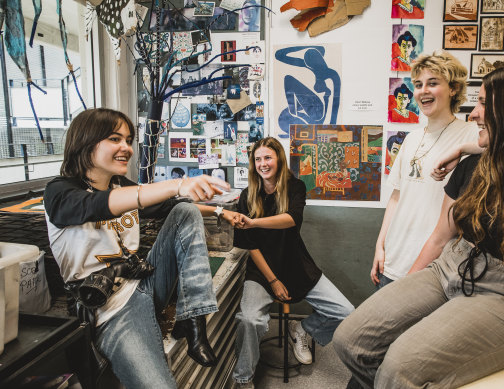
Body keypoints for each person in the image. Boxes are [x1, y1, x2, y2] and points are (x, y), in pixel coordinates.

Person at [334, 66, 504, 388]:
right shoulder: (473, 166)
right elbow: (440, 238)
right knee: (348, 338)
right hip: (449, 267)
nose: (475, 113)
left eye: (483, 104)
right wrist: (402, 296)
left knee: (399, 369)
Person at [44, 108, 241, 389]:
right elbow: (96, 205)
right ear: (85, 142)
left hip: (143, 281)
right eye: (115, 139)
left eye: (128, 139)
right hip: (111, 309)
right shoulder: (60, 192)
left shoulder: (119, 184)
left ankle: (194, 320)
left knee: (185, 211)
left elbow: (169, 205)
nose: (126, 147)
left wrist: (220, 212)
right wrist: (179, 184)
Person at [232, 137, 354, 389]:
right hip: (262, 271)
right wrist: (273, 280)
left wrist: (254, 222)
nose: (263, 164)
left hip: (296, 263)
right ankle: (244, 379)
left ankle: (302, 329)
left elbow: (291, 219)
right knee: (250, 320)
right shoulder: (247, 196)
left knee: (346, 313)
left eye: (268, 158)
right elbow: (250, 245)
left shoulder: (295, 186)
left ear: (278, 159)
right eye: (258, 159)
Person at [371, 51, 478, 289]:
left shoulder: (470, 134)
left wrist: (460, 149)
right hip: (392, 259)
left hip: (435, 264)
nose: (423, 91)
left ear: (453, 89)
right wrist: (380, 245)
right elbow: (396, 198)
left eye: (433, 83)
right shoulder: (410, 138)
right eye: (418, 85)